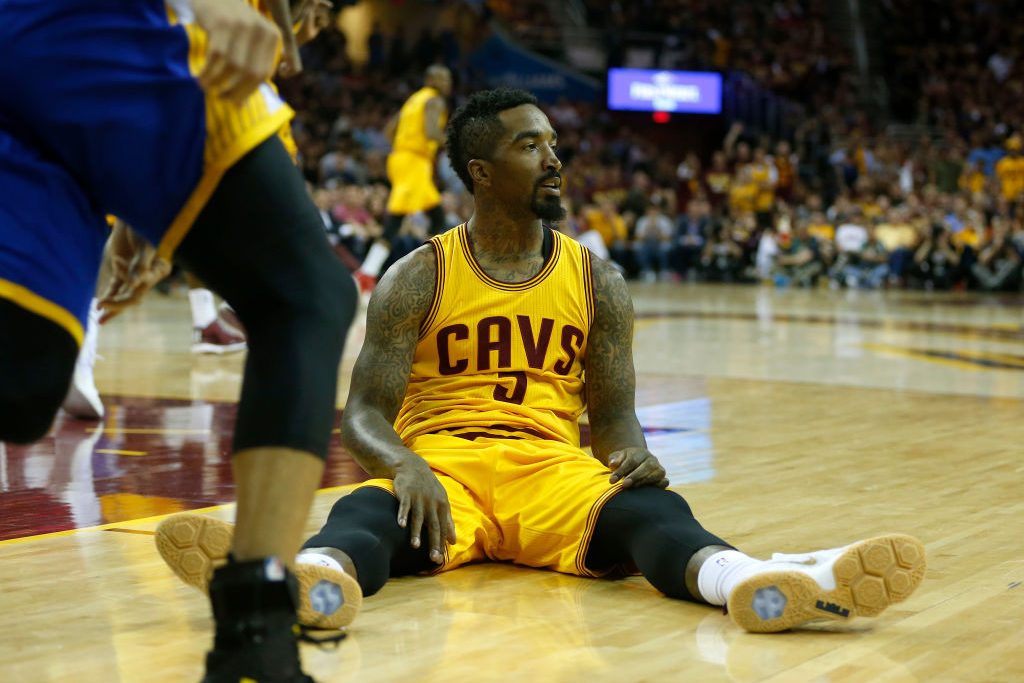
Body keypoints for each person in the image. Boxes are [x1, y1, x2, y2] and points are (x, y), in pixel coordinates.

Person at [157, 88, 926, 639]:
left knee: (652, 514)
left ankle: (757, 581)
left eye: (553, 143)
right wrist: (403, 462)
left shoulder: (598, 280)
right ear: (481, 172)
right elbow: (360, 412)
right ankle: (307, 577)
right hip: (444, 469)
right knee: (366, 510)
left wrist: (635, 457)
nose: (553, 158)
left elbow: (617, 425)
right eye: (531, 145)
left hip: (548, 471)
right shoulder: (419, 272)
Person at [1, 1, 353, 681]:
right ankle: (256, 638)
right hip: (103, 24)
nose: (318, 22)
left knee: (19, 381)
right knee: (305, 294)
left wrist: (148, 210)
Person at [353, 65, 454, 295]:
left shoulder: (413, 101)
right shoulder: (435, 101)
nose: (447, 83)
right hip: (414, 162)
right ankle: (433, 273)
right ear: (430, 79)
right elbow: (431, 132)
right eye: (442, 78)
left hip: (400, 159)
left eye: (449, 79)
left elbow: (389, 130)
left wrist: (403, 146)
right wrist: (458, 141)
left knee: (428, 216)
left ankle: (369, 272)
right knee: (420, 218)